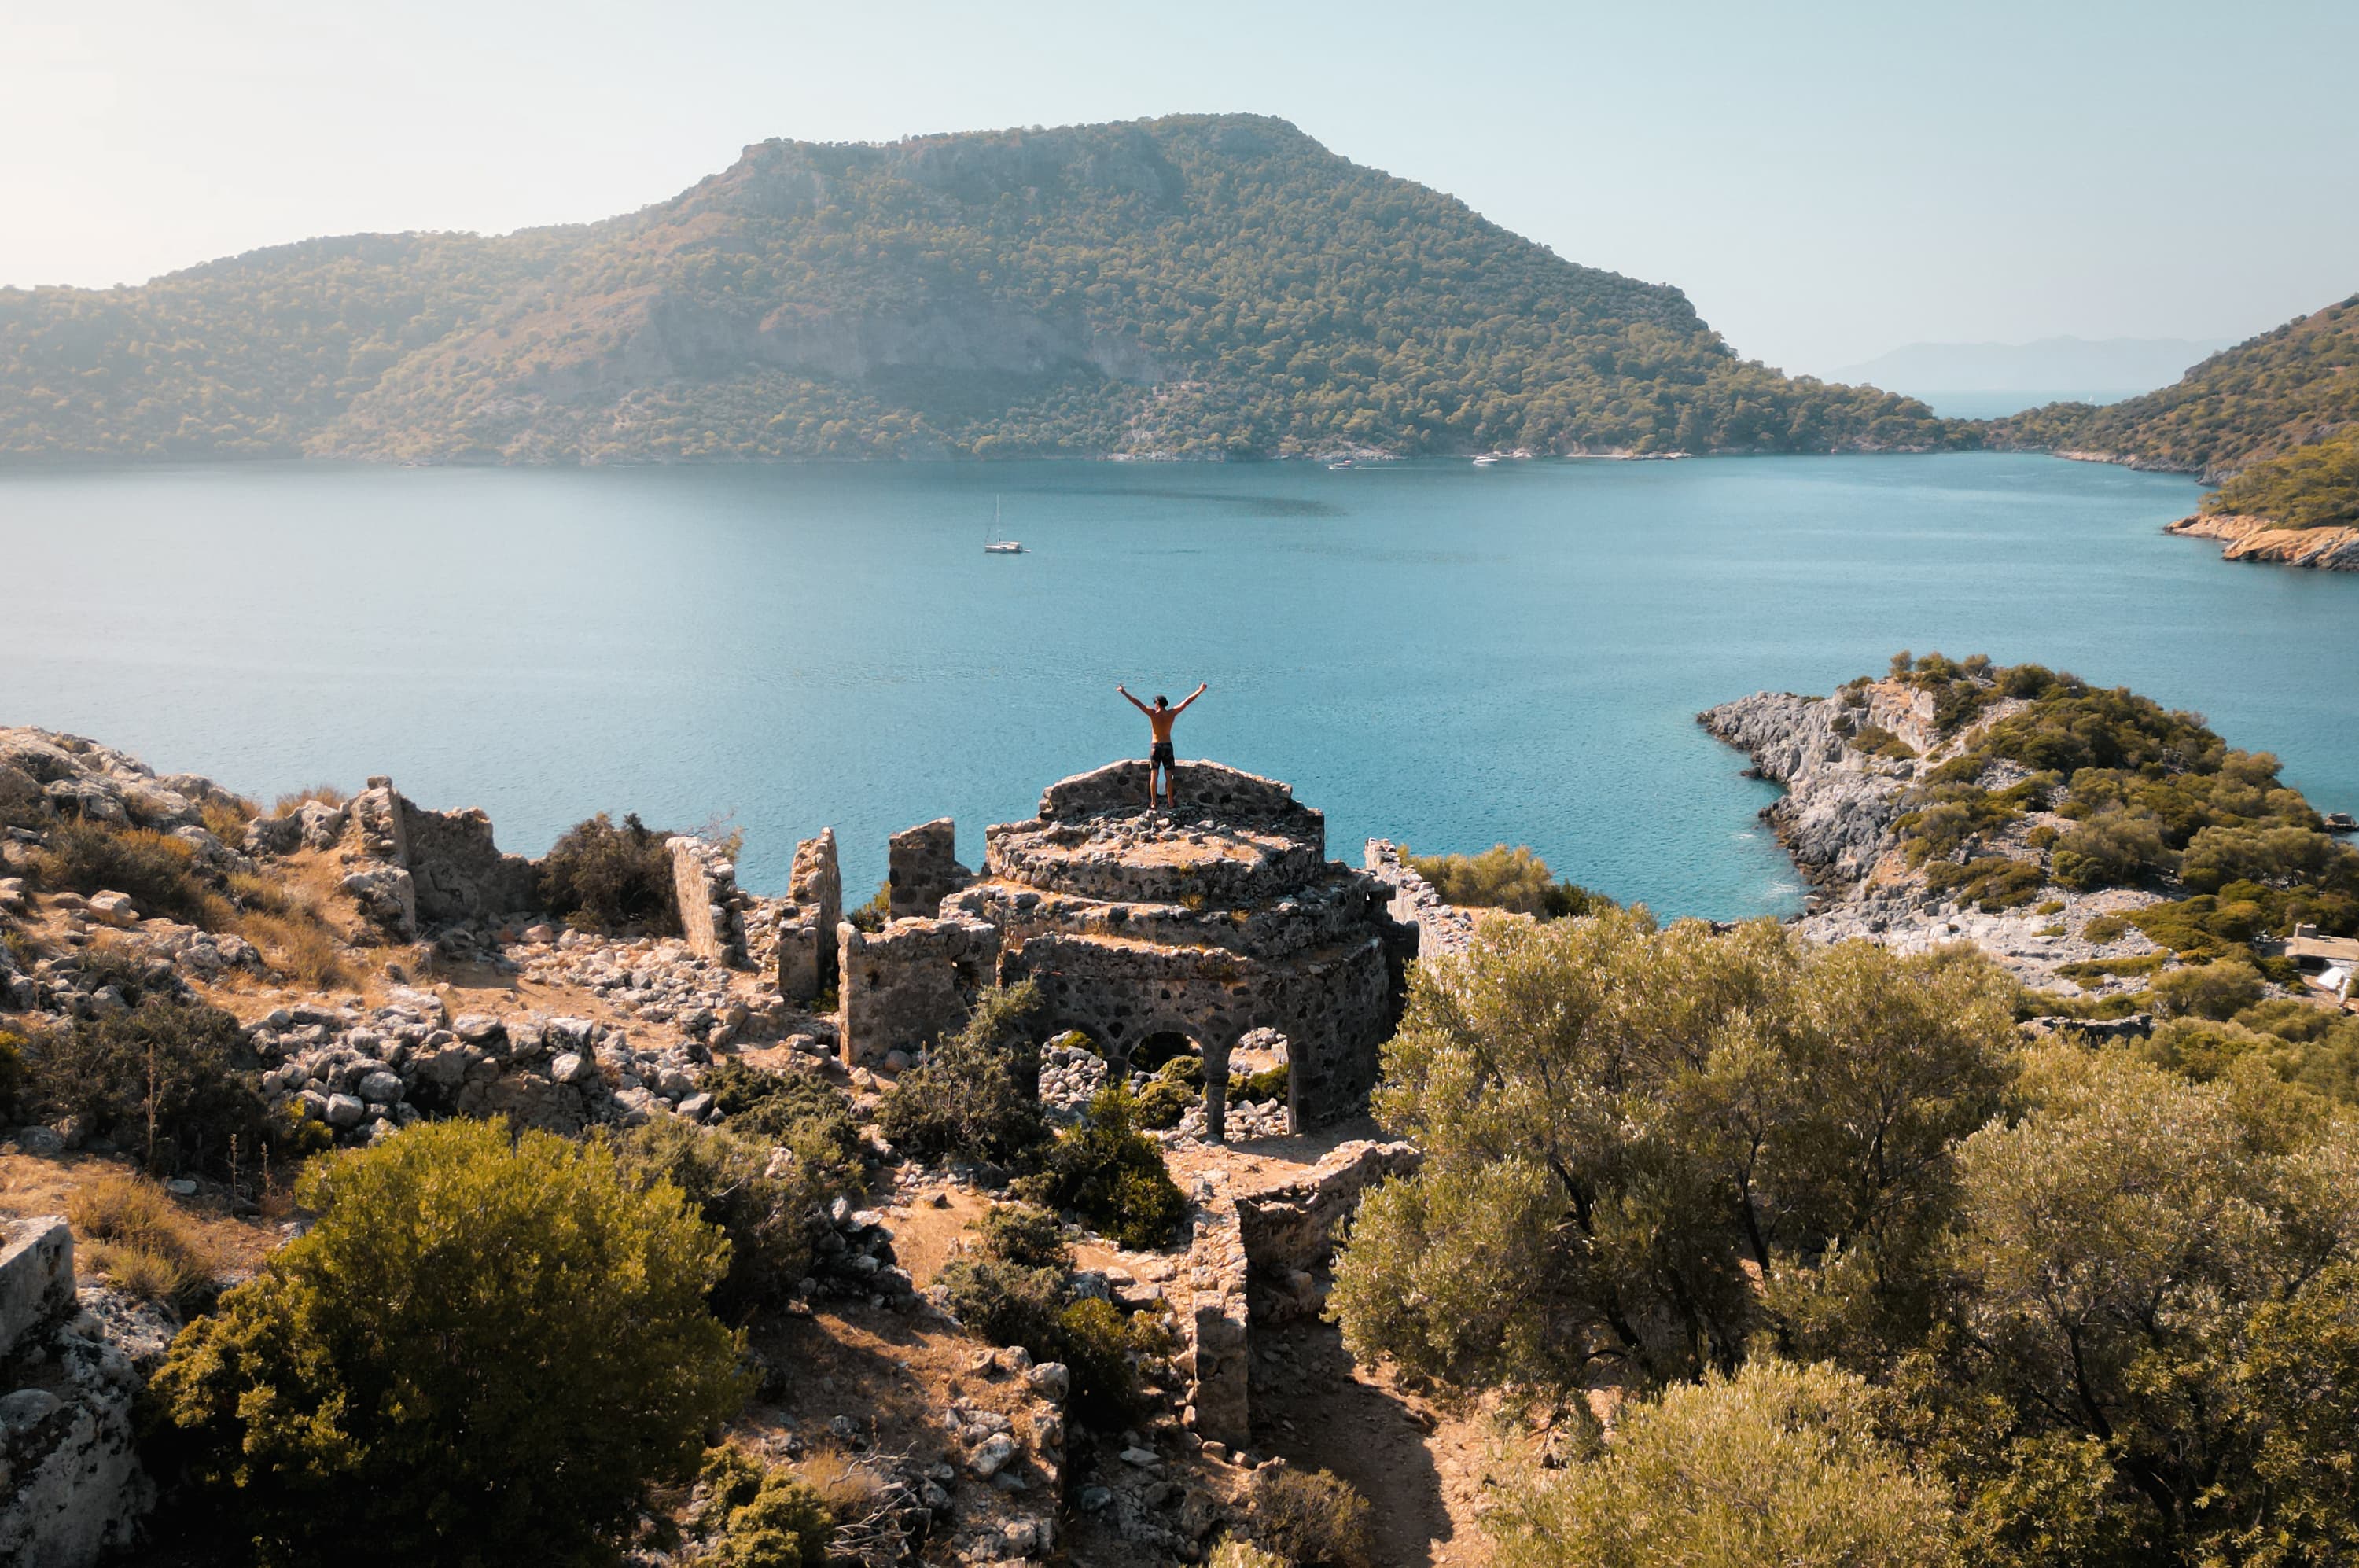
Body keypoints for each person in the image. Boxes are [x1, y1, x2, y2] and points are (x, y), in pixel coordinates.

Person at [1117, 683, 1207, 808]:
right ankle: (1170, 802)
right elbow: (1187, 702)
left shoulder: (1153, 714)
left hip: (1156, 746)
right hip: (1167, 746)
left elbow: (1137, 703)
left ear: (1157, 704)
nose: (1154, 705)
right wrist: (1200, 690)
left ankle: (1154, 802)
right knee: (1169, 775)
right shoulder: (1172, 713)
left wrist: (1124, 692)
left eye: (1155, 703)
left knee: (1154, 774)